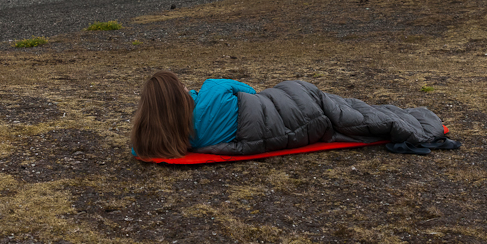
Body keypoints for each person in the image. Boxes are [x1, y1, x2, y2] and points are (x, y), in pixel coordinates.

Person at [131, 71, 459, 160]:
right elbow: (248, 89)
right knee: (351, 113)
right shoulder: (213, 91)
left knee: (348, 112)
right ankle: (420, 128)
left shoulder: (174, 138)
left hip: (276, 118)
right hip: (295, 104)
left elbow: (138, 146)